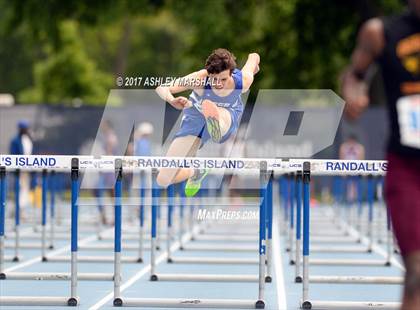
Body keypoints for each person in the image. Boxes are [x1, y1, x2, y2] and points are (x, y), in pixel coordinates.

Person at [341, 1, 420, 308]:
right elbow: (353, 74)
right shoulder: (380, 33)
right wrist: (352, 94)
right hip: (407, 168)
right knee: (416, 270)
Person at [155, 48, 260, 197]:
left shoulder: (242, 81)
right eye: (214, 79)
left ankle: (215, 124)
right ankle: (195, 171)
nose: (218, 84)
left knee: (219, 113)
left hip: (226, 116)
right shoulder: (199, 78)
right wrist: (172, 100)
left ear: (231, 72)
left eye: (223, 79)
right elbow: (162, 87)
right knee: (163, 179)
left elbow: (253, 56)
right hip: (195, 119)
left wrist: (254, 65)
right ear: (208, 74)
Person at [9, 121, 35, 215]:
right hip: (19, 169)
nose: (26, 130)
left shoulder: (29, 140)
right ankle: (17, 209)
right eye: (24, 128)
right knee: (18, 188)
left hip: (28, 169)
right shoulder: (15, 141)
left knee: (25, 189)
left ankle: (20, 210)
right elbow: (13, 154)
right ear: (20, 129)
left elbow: (32, 153)